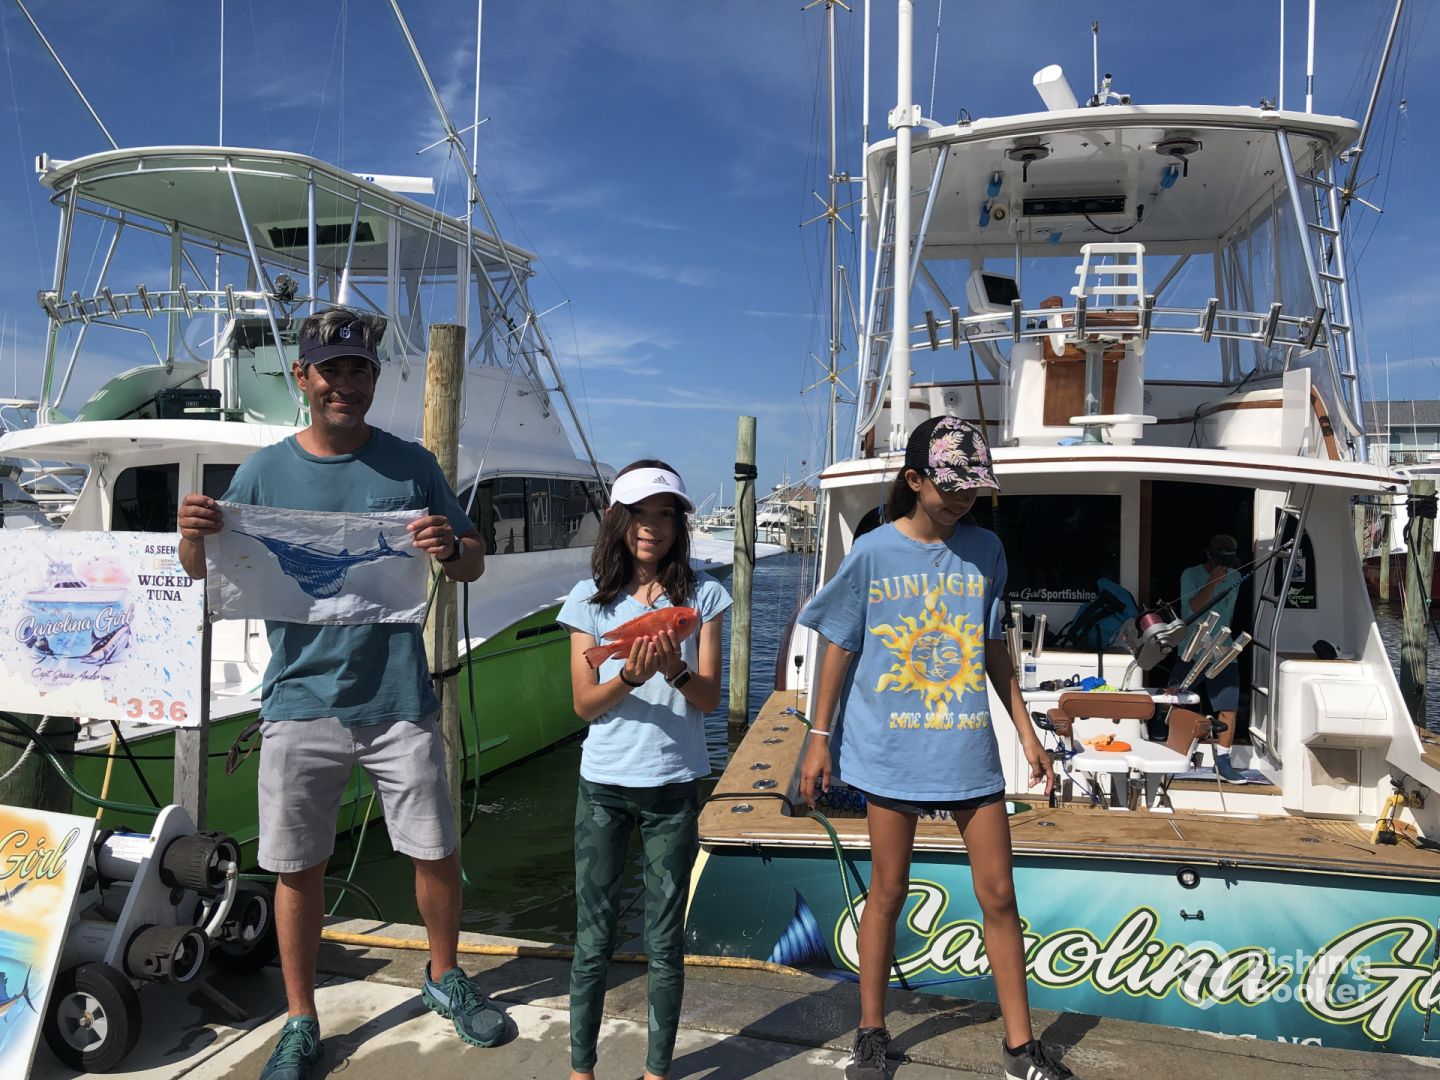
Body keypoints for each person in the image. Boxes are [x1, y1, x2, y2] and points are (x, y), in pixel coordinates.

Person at [177, 309, 503, 1080]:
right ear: (303, 377)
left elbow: (473, 559)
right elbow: (203, 569)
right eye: (330, 370)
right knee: (298, 866)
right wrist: (191, 535)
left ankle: (444, 974)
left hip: (399, 698)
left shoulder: (412, 465)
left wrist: (451, 547)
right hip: (297, 701)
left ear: (374, 379)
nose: (344, 384)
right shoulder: (262, 472)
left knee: (435, 849)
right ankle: (300, 1019)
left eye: (359, 369)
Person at [798, 415, 1073, 1080]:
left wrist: (1027, 734)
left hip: (968, 749)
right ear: (915, 480)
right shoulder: (872, 552)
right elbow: (838, 642)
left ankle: (1019, 1047)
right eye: (950, 487)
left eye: (972, 488)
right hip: (890, 752)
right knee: (888, 891)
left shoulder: (987, 551)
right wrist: (818, 738)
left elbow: (991, 647)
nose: (961, 499)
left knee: (999, 894)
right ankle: (870, 1032)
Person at [557, 460, 731, 1080]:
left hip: (674, 787)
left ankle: (657, 1072)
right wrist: (629, 676)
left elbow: (708, 699)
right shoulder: (587, 600)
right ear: (617, 520)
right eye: (639, 514)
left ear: (680, 524)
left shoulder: (703, 597)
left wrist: (674, 670)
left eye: (665, 514)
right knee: (592, 939)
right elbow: (584, 705)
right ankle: (581, 1070)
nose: (652, 527)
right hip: (603, 787)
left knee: (664, 941)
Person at [1174, 533, 1247, 784]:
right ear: (1209, 555)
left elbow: (1228, 612)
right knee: (1173, 701)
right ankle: (1173, 751)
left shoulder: (1235, 576)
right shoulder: (1190, 575)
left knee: (1228, 707)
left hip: (1222, 650)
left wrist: (1224, 575)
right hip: (1191, 648)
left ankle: (1223, 761)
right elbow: (1194, 607)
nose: (1224, 566)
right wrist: (1213, 581)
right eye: (1220, 561)